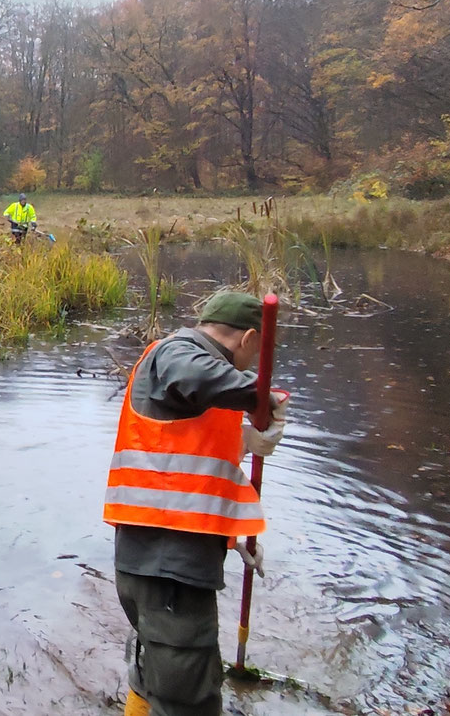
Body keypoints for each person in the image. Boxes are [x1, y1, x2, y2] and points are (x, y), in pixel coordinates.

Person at [105, 290, 289, 716]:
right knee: (190, 695)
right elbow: (195, 376)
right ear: (247, 339)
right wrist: (264, 397)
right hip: (167, 563)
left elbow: (192, 470)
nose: (256, 364)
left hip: (161, 557)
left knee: (158, 662)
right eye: (258, 352)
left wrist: (232, 538)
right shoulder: (177, 354)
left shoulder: (197, 378)